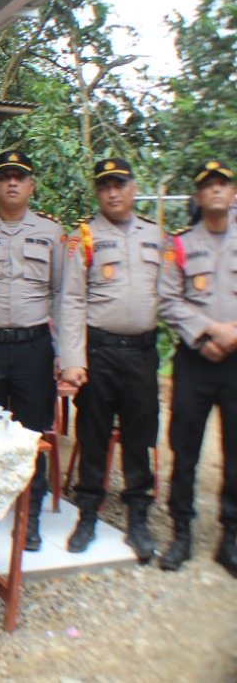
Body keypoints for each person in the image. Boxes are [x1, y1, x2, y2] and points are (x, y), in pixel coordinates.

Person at [58, 158, 163, 563]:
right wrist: (71, 359)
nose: (113, 192)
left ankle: (138, 517)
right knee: (94, 434)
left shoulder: (155, 236)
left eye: (119, 184)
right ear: (98, 192)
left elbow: (169, 294)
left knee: (140, 435)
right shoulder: (83, 237)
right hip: (98, 353)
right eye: (105, 186)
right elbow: (70, 300)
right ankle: (87, 513)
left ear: (133, 188)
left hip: (141, 354)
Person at [0, 151, 66, 552]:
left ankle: (31, 516)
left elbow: (62, 294)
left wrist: (64, 353)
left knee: (31, 435)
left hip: (34, 349)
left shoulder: (52, 233)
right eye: (4, 177)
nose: (11, 183)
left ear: (31, 185)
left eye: (19, 177)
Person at [157, 160, 237, 577]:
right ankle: (181, 532)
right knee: (185, 448)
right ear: (199, 196)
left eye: (223, 184)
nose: (217, 191)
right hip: (195, 360)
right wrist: (208, 333)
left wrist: (233, 335)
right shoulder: (182, 244)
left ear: (233, 192)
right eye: (208, 186)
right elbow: (169, 299)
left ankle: (232, 537)